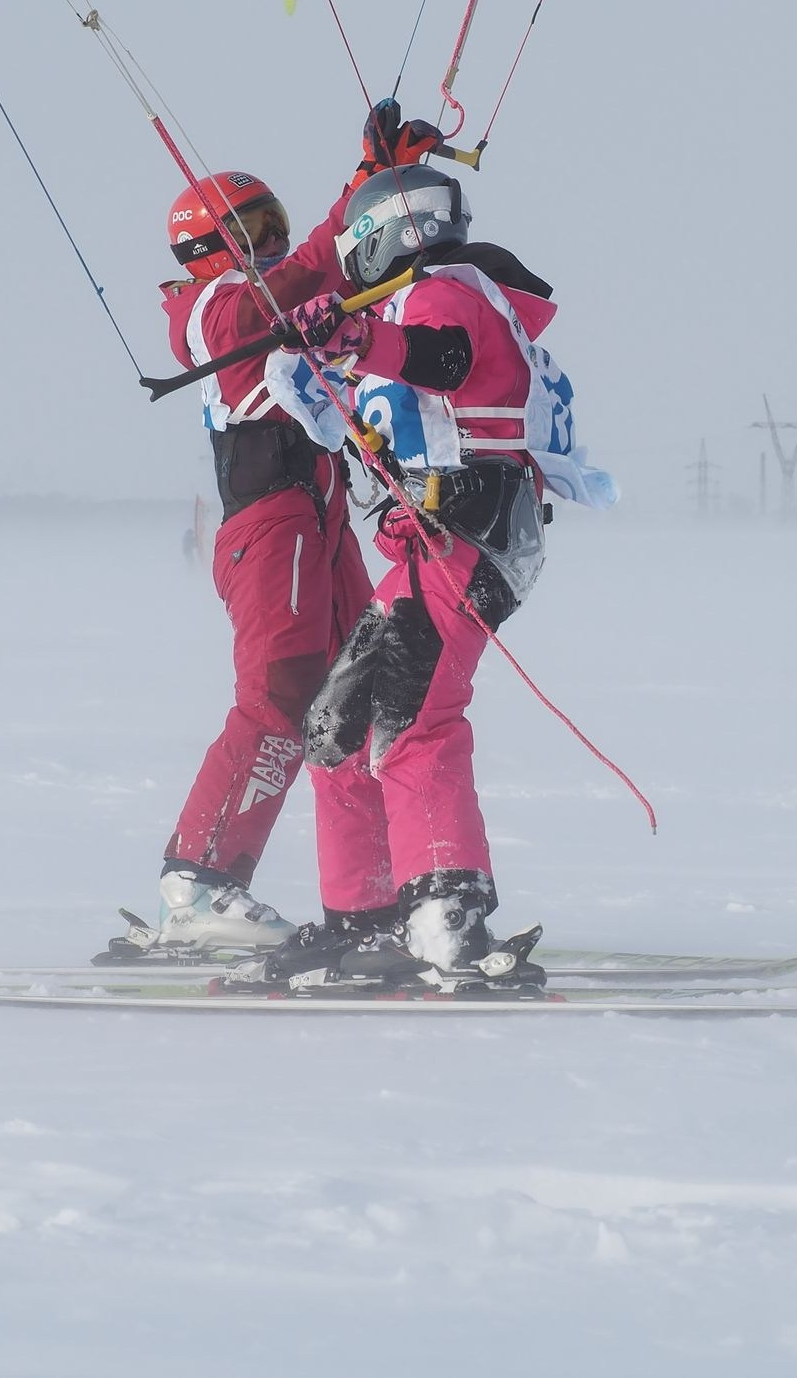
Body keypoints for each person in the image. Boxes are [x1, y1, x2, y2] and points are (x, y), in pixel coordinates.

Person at [253, 162, 616, 990]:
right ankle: (366, 915)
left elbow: (443, 360)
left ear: (382, 232)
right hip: (434, 543)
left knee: (412, 720)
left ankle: (447, 915)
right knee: (334, 730)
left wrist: (356, 340)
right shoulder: (412, 302)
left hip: (471, 538)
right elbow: (406, 399)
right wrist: (326, 357)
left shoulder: (449, 291)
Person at [111, 106, 448, 958]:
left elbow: (329, 278)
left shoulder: (273, 296)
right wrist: (346, 212)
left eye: (275, 225)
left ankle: (370, 906)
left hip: (323, 520)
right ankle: (199, 882)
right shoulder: (204, 309)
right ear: (204, 247)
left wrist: (381, 190)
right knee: (283, 692)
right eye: (250, 229)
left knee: (354, 701)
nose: (268, 242)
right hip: (271, 528)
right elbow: (288, 285)